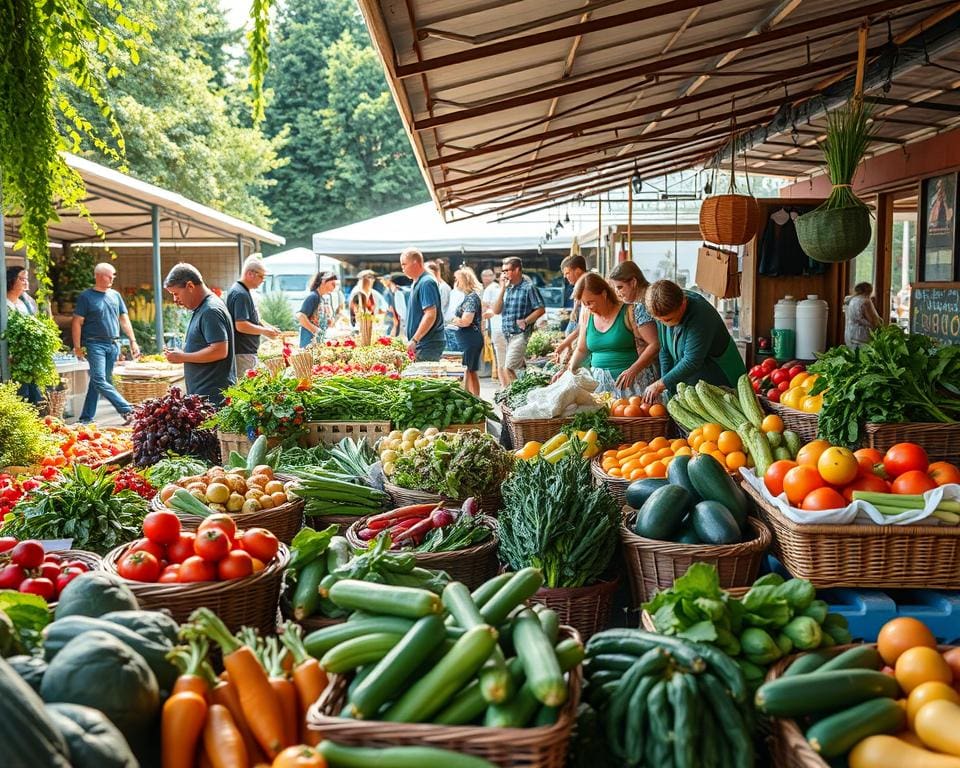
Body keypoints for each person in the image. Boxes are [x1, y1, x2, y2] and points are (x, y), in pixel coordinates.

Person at [642, 279, 747, 404]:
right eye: (660, 321)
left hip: (721, 379)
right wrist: (667, 388)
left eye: (669, 319)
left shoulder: (701, 315)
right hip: (696, 385)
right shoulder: (661, 309)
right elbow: (665, 350)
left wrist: (660, 384)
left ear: (683, 303)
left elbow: (691, 361)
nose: (666, 325)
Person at [562, 273, 656, 395]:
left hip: (631, 385)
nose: (587, 307)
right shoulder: (587, 314)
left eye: (590, 302)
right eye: (583, 303)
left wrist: (633, 370)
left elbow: (654, 344)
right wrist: (569, 370)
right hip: (599, 385)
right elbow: (582, 349)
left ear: (604, 294)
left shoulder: (632, 311)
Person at [72, 262, 139, 423]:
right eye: (110, 276)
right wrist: (77, 346)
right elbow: (76, 322)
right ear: (99, 276)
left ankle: (86, 418)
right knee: (101, 380)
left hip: (113, 344)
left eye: (113, 276)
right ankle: (127, 410)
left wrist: (133, 341)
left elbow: (124, 319)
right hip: (94, 344)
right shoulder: (86, 297)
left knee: (98, 382)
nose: (112, 279)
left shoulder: (115, 295)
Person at [162, 263, 235, 408]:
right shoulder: (202, 308)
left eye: (176, 293)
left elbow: (220, 350)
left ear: (190, 286)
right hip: (204, 396)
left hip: (213, 398)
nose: (175, 300)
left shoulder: (210, 310)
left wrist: (182, 357)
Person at [608, 260, 660, 392]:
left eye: (620, 287)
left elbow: (655, 344)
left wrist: (633, 370)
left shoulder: (642, 304)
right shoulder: (649, 295)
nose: (617, 293)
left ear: (633, 282)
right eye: (615, 288)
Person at [492, 257, 545, 385]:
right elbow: (496, 310)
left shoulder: (529, 288)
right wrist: (503, 289)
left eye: (507, 271)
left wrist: (526, 321)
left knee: (508, 368)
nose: (504, 274)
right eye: (503, 271)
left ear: (517, 270)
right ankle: (527, 391)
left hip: (520, 334)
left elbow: (540, 309)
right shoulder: (508, 288)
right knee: (518, 369)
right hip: (507, 335)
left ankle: (517, 398)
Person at [225, 255, 280, 378]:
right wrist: (265, 331)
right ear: (250, 274)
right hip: (243, 352)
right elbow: (241, 325)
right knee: (245, 387)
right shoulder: (240, 294)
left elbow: (253, 318)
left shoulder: (242, 291)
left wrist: (268, 326)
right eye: (261, 276)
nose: (262, 280)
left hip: (245, 351)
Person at [399, 247, 445, 361]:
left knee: (425, 377)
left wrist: (415, 340)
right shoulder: (418, 281)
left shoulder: (426, 282)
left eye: (404, 264)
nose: (402, 268)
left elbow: (430, 314)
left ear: (415, 263)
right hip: (423, 344)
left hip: (427, 344)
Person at [6, 266, 43, 405]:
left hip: (28, 356)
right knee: (20, 393)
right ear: (10, 281)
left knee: (35, 395)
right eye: (21, 279)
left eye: (26, 279)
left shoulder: (25, 303)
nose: (26, 282)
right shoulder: (5, 304)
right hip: (11, 357)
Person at [448, 267, 484, 396]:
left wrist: (455, 319)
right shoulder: (469, 297)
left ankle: (472, 398)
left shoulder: (471, 298)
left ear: (463, 281)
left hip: (470, 338)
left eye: (457, 279)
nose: (456, 282)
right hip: (469, 338)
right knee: (470, 370)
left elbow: (466, 321)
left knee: (468, 370)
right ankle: (474, 398)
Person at [552, 255, 588, 364]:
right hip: (576, 342)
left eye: (567, 273)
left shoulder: (587, 287)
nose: (565, 277)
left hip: (582, 344)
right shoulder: (579, 287)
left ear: (577, 271)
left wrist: (566, 342)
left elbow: (584, 324)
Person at [296, 271, 339, 348]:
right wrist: (315, 330)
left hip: (318, 344)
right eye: (333, 283)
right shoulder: (313, 297)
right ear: (323, 281)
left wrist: (328, 321)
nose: (335, 286)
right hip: (309, 345)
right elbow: (300, 316)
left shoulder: (321, 298)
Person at [481, 268, 507, 386]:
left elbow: (487, 307)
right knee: (500, 359)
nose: (487, 278)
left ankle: (505, 384)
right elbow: (490, 308)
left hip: (505, 330)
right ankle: (503, 386)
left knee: (505, 361)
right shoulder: (496, 290)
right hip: (497, 329)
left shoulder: (494, 289)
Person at [845, 282, 884, 348]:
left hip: (850, 333)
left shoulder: (852, 300)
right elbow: (872, 320)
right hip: (862, 335)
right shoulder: (865, 301)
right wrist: (880, 326)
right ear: (869, 290)